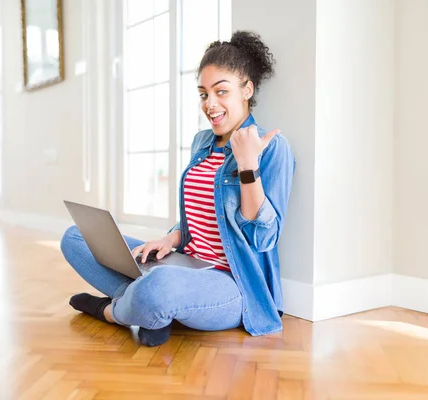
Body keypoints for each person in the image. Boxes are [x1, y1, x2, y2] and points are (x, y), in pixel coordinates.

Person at [60, 31, 295, 347]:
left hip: (233, 286)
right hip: (186, 261)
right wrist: (170, 238)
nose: (210, 104)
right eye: (203, 94)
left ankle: (111, 311)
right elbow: (200, 216)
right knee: (75, 237)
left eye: (221, 91)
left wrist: (247, 166)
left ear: (246, 90)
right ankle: (149, 309)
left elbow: (263, 238)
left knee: (159, 286)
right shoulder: (202, 142)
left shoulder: (272, 147)